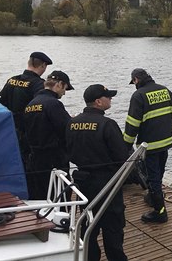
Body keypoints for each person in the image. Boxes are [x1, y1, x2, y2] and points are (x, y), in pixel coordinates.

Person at [66, 84, 129, 261]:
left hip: (82, 181)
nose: (111, 99)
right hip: (107, 181)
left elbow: (68, 150)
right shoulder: (107, 124)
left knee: (88, 223)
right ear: (98, 102)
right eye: (108, 97)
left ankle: (90, 257)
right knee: (113, 227)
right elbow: (122, 156)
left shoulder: (72, 123)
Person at [124, 68, 172, 223]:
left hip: (150, 145)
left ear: (136, 80)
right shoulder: (165, 90)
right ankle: (153, 197)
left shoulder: (138, 95)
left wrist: (126, 144)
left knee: (152, 177)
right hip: (166, 141)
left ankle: (160, 212)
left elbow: (132, 123)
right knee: (159, 172)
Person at [23, 70, 73, 200]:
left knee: (41, 195)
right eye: (65, 88)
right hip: (54, 159)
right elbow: (66, 129)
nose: (64, 92)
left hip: (35, 159)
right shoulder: (53, 104)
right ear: (60, 84)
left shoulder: (31, 104)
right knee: (60, 195)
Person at [0, 51, 53, 166]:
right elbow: (42, 107)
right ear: (43, 65)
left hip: (10, 129)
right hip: (27, 132)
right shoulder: (39, 84)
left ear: (29, 63)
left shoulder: (12, 80)